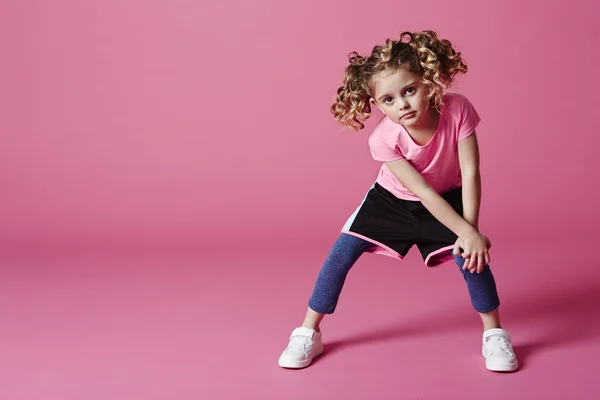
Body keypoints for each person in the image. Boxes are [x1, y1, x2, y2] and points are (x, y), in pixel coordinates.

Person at [277, 30, 518, 372]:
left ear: (429, 83)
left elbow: (471, 169)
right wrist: (465, 230)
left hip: (446, 197)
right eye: (389, 100)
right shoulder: (382, 139)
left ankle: (494, 334)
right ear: (377, 105)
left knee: (472, 259)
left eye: (409, 90)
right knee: (340, 254)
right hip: (390, 201)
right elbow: (421, 191)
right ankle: (308, 331)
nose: (403, 104)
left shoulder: (458, 109)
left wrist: (470, 232)